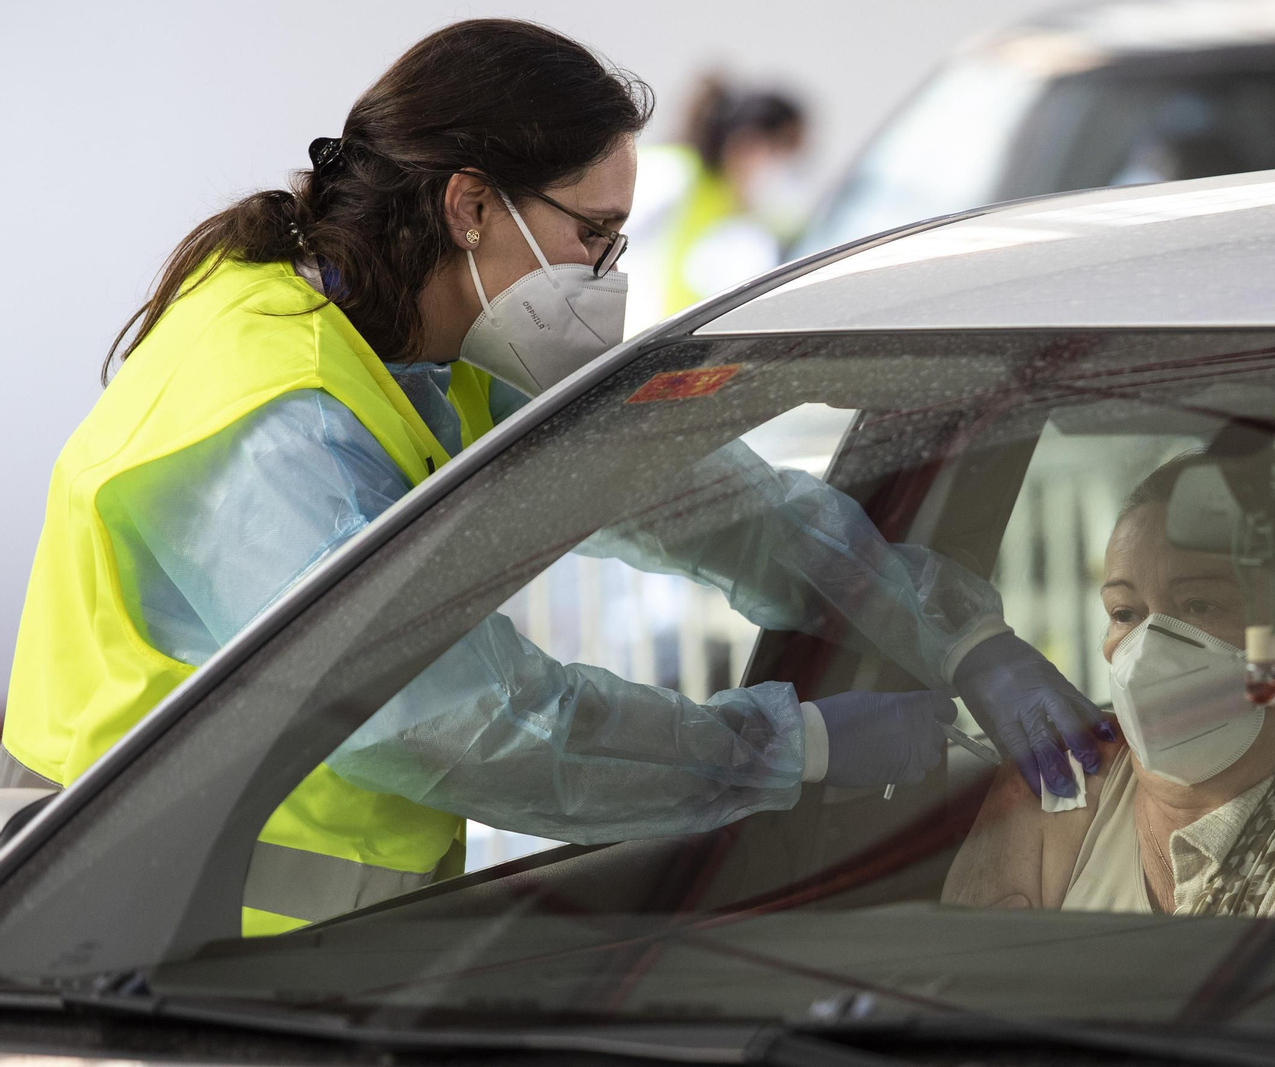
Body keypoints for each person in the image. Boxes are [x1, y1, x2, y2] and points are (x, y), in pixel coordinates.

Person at [2, 20, 1103, 937]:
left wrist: (965, 639)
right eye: (595, 235)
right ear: (471, 206)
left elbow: (730, 511)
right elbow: (472, 721)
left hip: (299, 958)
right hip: (131, 957)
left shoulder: (438, 358)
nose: (603, 278)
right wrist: (793, 747)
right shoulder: (273, 418)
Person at [943, 452, 1275, 917]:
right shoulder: (1059, 776)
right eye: (1125, 612)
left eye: (1200, 606)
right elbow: (950, 992)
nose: (1150, 647)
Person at [624, 76, 809, 332]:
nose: (788, 169)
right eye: (786, 151)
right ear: (749, 144)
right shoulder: (672, 175)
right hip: (636, 344)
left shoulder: (748, 210)